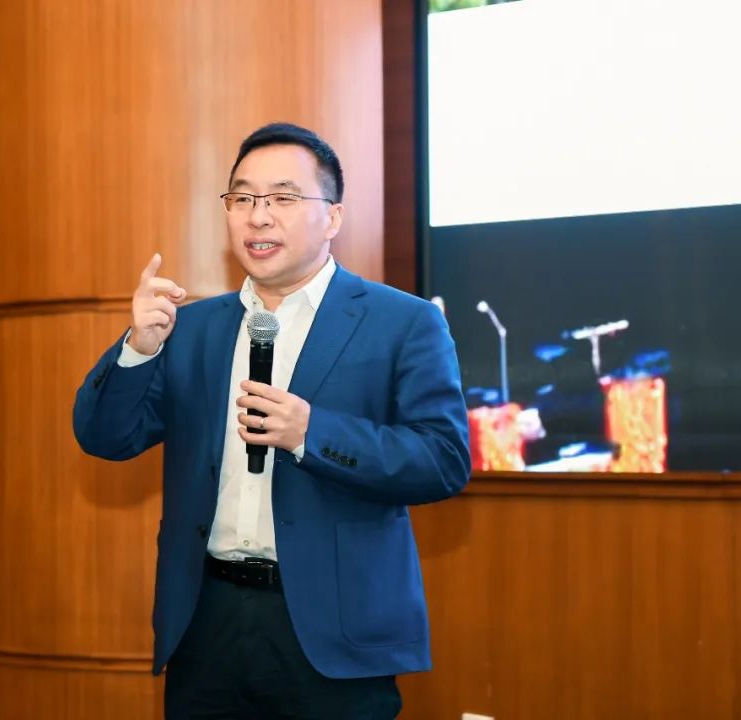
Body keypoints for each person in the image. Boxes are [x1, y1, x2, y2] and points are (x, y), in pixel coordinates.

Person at [73, 123, 471, 719]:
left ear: (332, 217)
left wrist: (313, 433)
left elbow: (443, 461)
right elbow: (105, 437)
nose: (258, 217)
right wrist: (138, 348)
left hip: (333, 633)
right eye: (242, 198)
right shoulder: (192, 328)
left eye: (283, 197)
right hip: (206, 622)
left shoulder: (403, 322)